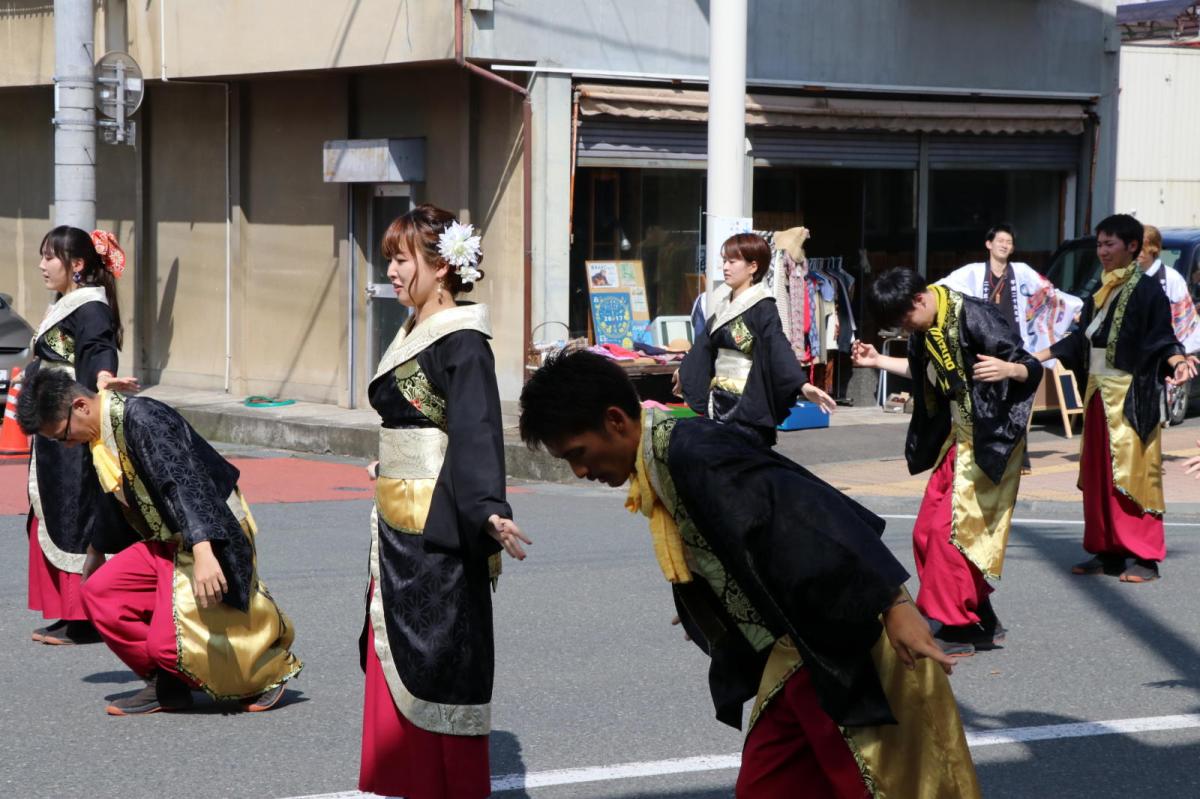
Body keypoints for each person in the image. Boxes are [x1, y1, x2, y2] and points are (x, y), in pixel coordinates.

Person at [519, 351, 979, 798]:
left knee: (876, 783)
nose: (580, 470)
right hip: (792, 653)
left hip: (842, 640)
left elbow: (813, 515)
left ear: (616, 420)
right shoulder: (662, 459)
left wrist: (894, 604)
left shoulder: (694, 453)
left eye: (578, 453)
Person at [359, 204, 530, 799]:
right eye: (391, 260)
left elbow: (476, 427)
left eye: (401, 259)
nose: (393, 271)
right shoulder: (413, 331)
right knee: (401, 653)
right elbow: (417, 419)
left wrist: (489, 507)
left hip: (438, 530)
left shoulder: (462, 339)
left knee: (442, 660)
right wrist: (397, 456)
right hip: (395, 525)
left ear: (440, 265)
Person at [16, 369, 302, 715]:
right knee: (99, 592)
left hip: (211, 530)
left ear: (80, 406)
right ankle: (166, 684)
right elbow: (112, 497)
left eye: (62, 436)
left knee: (170, 646)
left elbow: (184, 482)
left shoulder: (144, 418)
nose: (66, 444)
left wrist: (204, 551)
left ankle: (266, 672)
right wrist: (94, 553)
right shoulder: (99, 431)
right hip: (166, 539)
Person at [852, 267, 1042, 657]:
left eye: (904, 319)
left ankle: (956, 627)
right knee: (926, 531)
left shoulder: (974, 314)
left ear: (919, 299)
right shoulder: (924, 327)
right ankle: (981, 618)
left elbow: (1030, 367)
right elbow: (924, 375)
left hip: (992, 442)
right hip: (960, 441)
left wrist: (1011, 369)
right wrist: (878, 363)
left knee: (947, 536)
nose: (905, 329)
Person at [1032, 215, 1197, 583]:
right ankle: (1107, 550)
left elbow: (1161, 338)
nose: (1102, 252)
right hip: (1096, 394)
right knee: (1097, 477)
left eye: (1110, 244)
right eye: (1100, 245)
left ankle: (1144, 557)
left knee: (1135, 475)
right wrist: (1035, 358)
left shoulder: (1149, 290)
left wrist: (1177, 361)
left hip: (1130, 396)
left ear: (1132, 247)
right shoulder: (1101, 291)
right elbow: (1080, 340)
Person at [25, 227, 140, 647]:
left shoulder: (91, 308)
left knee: (75, 512)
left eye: (50, 257)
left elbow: (99, 351)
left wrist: (104, 379)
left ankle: (86, 615)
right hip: (54, 424)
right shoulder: (66, 303)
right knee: (54, 510)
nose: (42, 265)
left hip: (70, 427)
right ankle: (66, 612)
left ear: (77, 265)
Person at [677, 233, 835, 448]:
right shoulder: (724, 306)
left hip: (746, 406)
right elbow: (704, 345)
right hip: (718, 401)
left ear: (753, 267)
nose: (726, 267)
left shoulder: (763, 307)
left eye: (732, 262)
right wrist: (685, 370)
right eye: (724, 261)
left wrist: (802, 385)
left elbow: (777, 347)